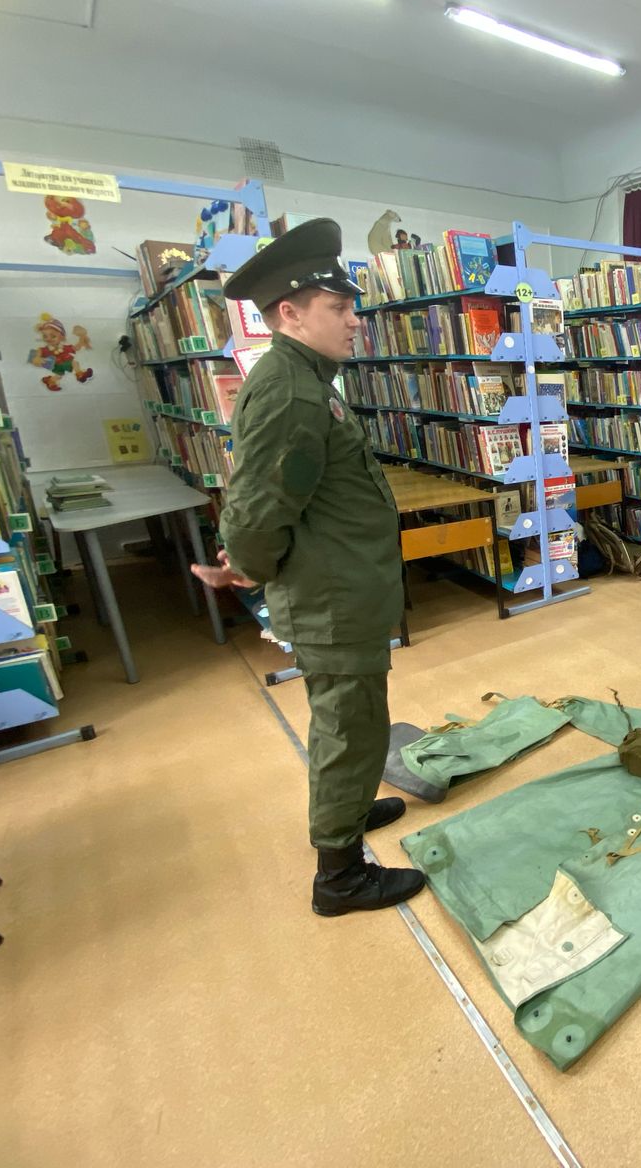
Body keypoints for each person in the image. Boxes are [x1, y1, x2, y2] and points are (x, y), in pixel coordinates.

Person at [190, 218, 424, 917]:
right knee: (349, 727)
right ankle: (340, 876)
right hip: (332, 596)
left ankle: (347, 812)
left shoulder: (309, 378)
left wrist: (248, 556)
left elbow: (283, 494)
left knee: (357, 719)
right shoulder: (292, 390)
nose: (355, 320)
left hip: (342, 584)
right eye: (340, 307)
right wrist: (247, 565)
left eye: (352, 306)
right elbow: (260, 504)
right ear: (290, 313)